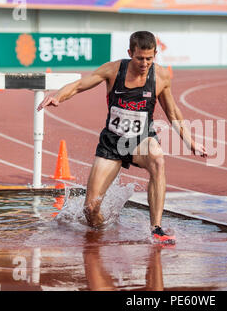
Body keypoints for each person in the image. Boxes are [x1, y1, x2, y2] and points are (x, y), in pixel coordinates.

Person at [37, 31, 207, 244]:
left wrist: (190, 142)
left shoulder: (161, 76)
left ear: (155, 54)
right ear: (130, 53)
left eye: (149, 58)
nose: (144, 63)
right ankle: (102, 228)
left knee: (158, 160)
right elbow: (80, 85)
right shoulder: (113, 70)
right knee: (90, 209)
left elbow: (173, 113)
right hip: (112, 143)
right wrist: (57, 97)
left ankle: (156, 227)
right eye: (139, 58)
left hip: (141, 140)